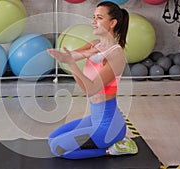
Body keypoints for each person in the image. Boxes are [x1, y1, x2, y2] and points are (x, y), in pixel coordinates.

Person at [47, 1, 138, 159]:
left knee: (58, 148)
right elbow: (71, 56)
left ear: (112, 23)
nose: (93, 21)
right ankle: (114, 143)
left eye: (99, 17)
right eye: (93, 17)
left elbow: (91, 89)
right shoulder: (96, 45)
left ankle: (114, 149)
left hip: (107, 127)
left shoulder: (116, 55)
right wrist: (65, 57)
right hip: (95, 117)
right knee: (52, 138)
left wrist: (72, 64)